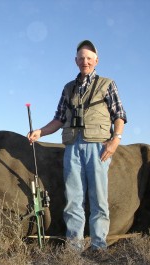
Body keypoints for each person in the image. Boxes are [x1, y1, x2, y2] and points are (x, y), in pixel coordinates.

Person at [27, 40, 127, 251]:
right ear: (76, 61)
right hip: (72, 147)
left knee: (98, 199)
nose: (85, 62)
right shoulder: (68, 88)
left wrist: (115, 140)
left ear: (96, 61)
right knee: (73, 199)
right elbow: (59, 119)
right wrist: (40, 132)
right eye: (81, 58)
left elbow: (119, 115)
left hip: (98, 147)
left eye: (89, 58)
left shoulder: (107, 84)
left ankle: (99, 247)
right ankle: (75, 248)